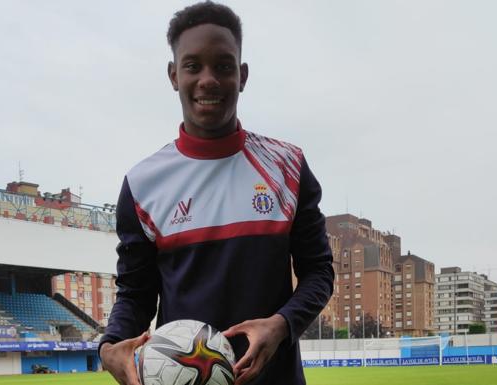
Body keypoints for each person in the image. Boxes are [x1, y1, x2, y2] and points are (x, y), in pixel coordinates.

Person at [99, 2, 334, 384]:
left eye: (223, 66)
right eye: (193, 66)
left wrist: (281, 325)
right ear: (174, 75)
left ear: (242, 76)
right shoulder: (142, 184)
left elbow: (319, 272)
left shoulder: (288, 167)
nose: (208, 79)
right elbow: (136, 293)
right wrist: (110, 345)